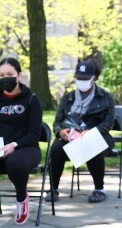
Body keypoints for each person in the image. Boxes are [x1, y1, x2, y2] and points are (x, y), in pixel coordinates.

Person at [0, 58, 43, 224]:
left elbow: (34, 133)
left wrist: (13, 145)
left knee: (15, 162)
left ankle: (22, 198)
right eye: (1, 75)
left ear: (19, 76)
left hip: (25, 148)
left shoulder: (31, 100)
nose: (5, 78)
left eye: (10, 74)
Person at [48, 59, 115, 203]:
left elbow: (108, 123)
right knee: (56, 149)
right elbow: (57, 121)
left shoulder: (105, 97)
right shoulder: (68, 97)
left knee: (91, 146)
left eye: (85, 78)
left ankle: (99, 189)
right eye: (79, 78)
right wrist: (60, 131)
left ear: (94, 78)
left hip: (99, 135)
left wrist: (91, 132)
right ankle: (53, 189)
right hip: (71, 135)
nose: (81, 81)